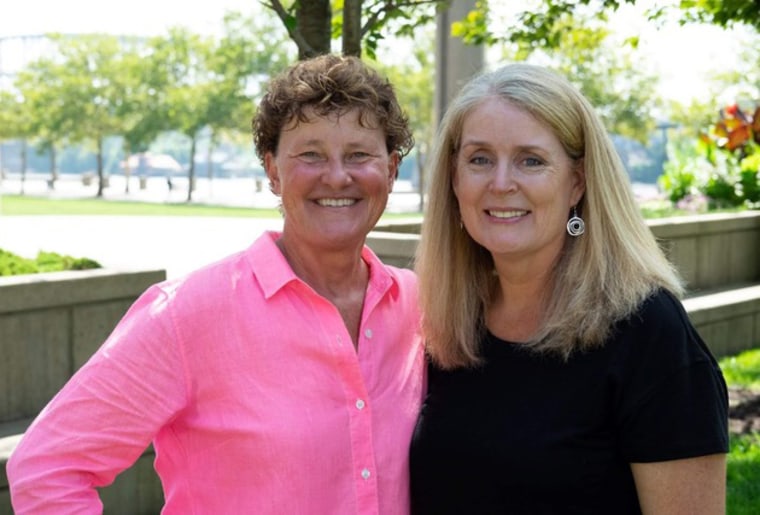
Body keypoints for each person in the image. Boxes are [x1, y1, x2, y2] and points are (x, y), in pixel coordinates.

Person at [8, 54, 425, 514]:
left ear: (390, 169)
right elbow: (46, 467)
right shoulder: (185, 315)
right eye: (310, 154)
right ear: (272, 171)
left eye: (358, 154)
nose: (337, 176)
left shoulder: (416, 306)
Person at [410, 63, 728, 514]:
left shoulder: (648, 332)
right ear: (454, 178)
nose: (501, 183)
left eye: (531, 160)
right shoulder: (445, 323)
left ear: (577, 182)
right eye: (480, 159)